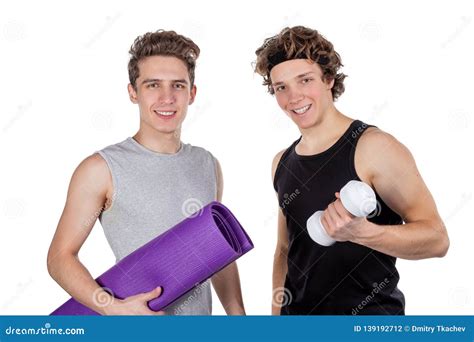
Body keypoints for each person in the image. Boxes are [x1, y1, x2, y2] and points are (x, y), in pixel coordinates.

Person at [47, 30, 245, 315]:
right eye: (153, 85)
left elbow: (215, 251)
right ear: (133, 92)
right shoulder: (101, 168)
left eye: (177, 86)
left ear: (192, 94)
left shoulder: (208, 164)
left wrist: (239, 317)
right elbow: (60, 258)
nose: (167, 98)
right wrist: (112, 308)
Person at [254, 26, 449, 315]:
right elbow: (285, 250)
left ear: (329, 79)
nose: (293, 97)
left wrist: (363, 233)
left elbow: (437, 239)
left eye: (305, 80)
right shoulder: (281, 162)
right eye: (281, 87)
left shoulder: (374, 147)